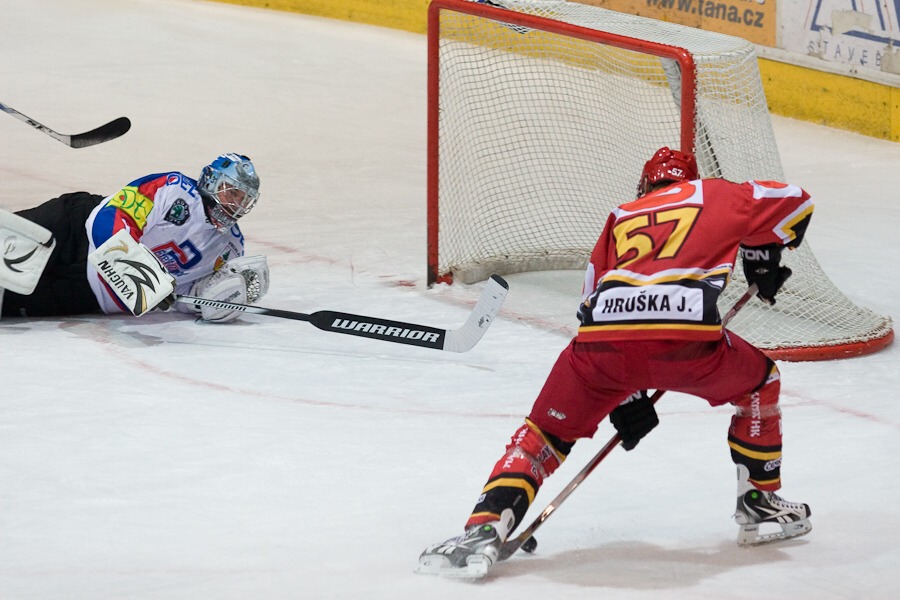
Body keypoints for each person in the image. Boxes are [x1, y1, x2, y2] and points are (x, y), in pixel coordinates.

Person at [417, 147, 815, 578]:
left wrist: (626, 394)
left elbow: (590, 301)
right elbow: (797, 202)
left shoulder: (622, 214)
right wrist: (761, 255)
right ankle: (759, 502)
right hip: (686, 342)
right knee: (760, 382)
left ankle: (485, 526)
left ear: (645, 185)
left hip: (601, 346)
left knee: (543, 434)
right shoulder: (718, 193)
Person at [1, 153, 268, 322]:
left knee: (6, 303)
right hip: (74, 231)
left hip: (89, 294)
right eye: (231, 192)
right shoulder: (173, 189)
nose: (236, 203)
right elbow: (107, 220)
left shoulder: (230, 248)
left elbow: (186, 297)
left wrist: (215, 300)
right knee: (5, 243)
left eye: (243, 199)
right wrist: (144, 275)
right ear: (211, 181)